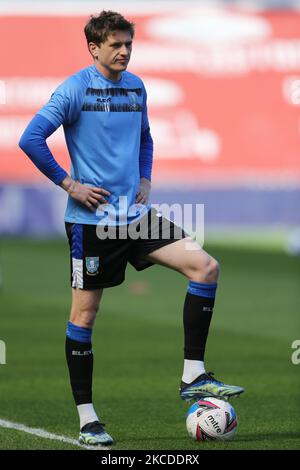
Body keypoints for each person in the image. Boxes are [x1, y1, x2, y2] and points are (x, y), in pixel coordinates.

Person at [19, 10, 244, 447]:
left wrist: (145, 177)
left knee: (206, 267)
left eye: (128, 44)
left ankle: (192, 375)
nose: (124, 51)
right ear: (94, 47)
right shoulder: (74, 89)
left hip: (136, 217)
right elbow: (30, 138)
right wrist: (70, 184)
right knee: (85, 316)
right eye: (116, 45)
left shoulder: (137, 87)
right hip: (92, 225)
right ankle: (88, 420)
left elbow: (145, 137)